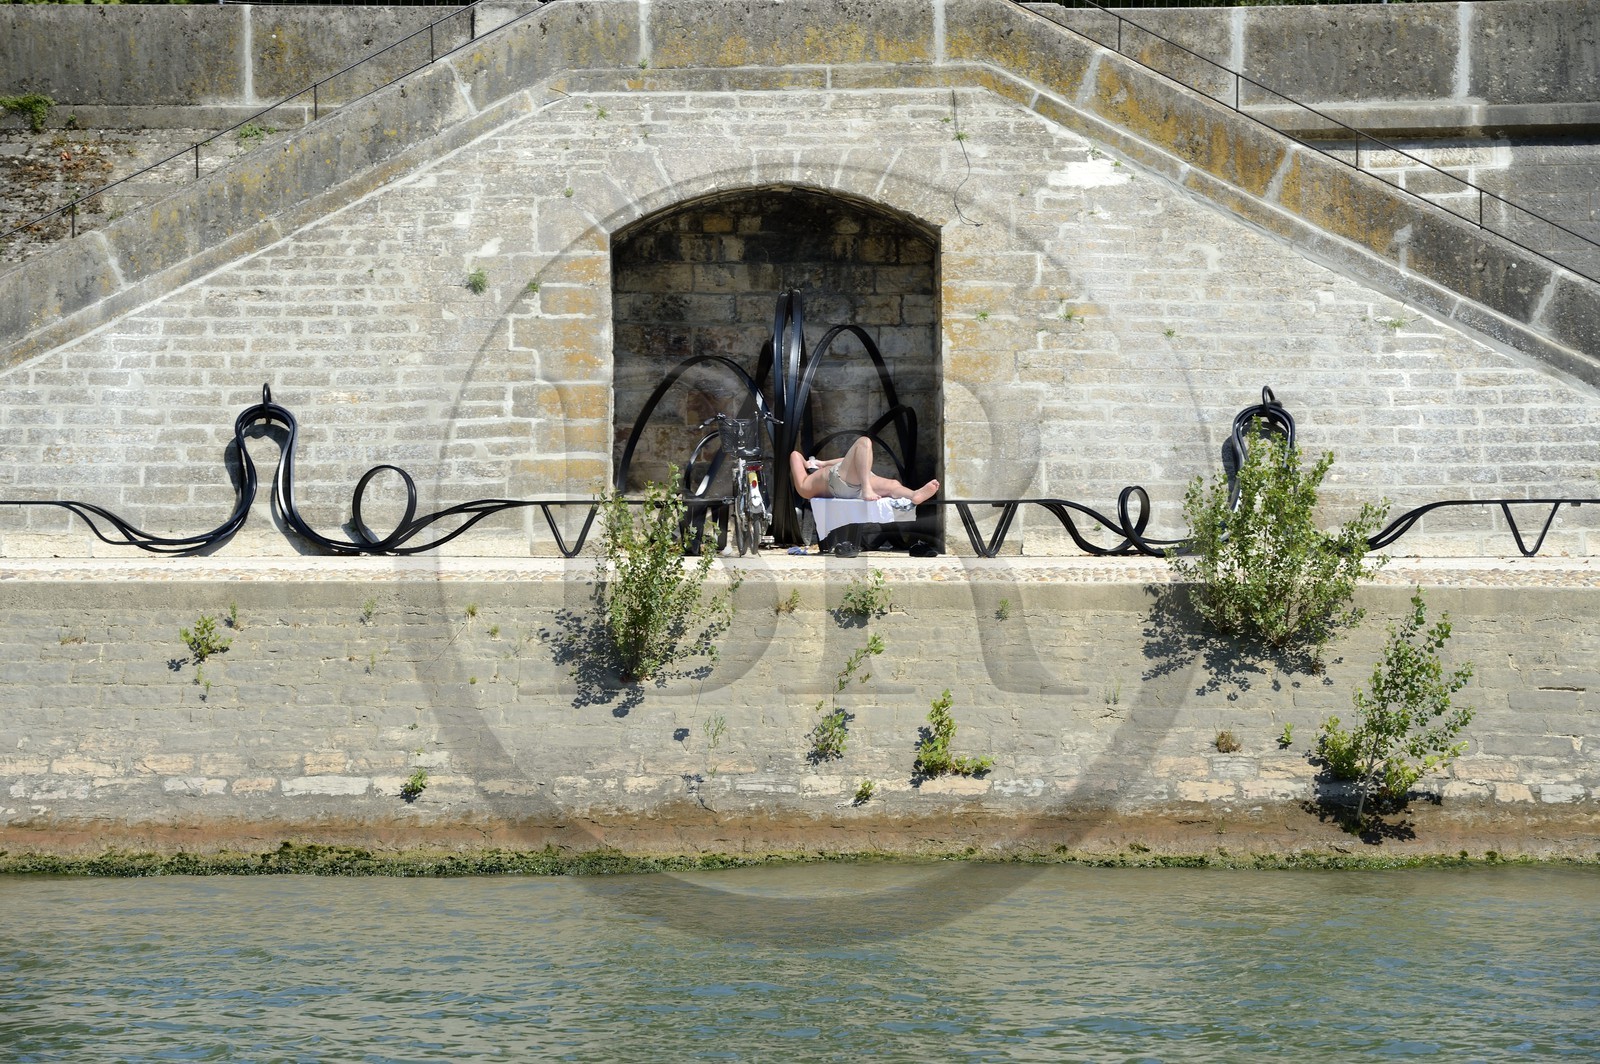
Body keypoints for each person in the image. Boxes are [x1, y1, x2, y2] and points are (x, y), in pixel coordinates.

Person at [788, 436, 939, 503]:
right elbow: (795, 455)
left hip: (851, 482)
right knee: (864, 442)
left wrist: (823, 463)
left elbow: (845, 461)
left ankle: (914, 495)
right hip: (843, 483)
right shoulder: (804, 485)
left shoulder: (809, 485)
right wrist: (807, 464)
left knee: (892, 485)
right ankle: (867, 488)